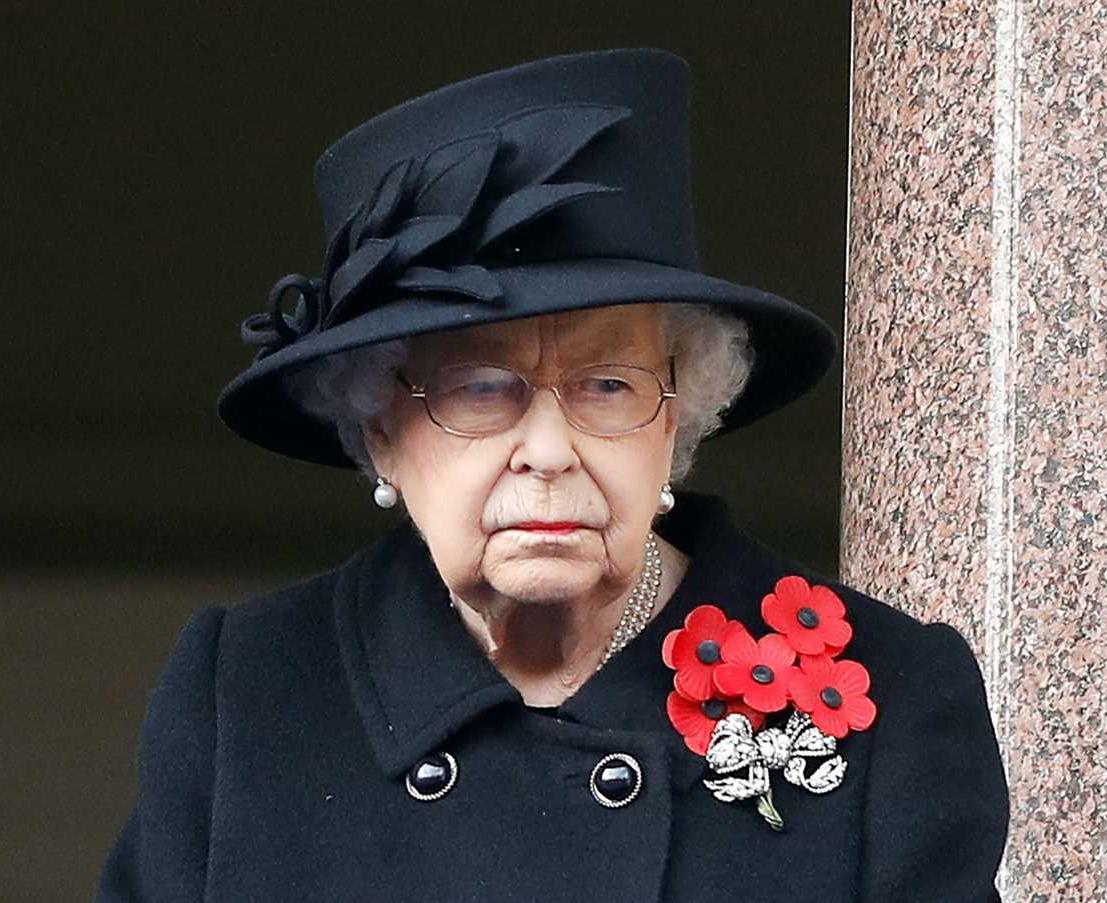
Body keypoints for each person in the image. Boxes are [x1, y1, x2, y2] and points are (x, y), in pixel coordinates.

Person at [96, 48, 1008, 902]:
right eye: (481, 387)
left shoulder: (890, 700)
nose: (549, 448)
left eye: (607, 385)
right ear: (382, 432)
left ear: (680, 418)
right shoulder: (249, 695)